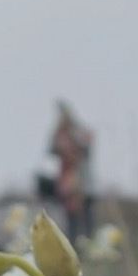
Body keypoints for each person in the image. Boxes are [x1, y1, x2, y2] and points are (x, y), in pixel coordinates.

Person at [49, 101, 95, 240]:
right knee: (71, 218)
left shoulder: (77, 131)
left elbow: (87, 143)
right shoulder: (60, 134)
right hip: (68, 183)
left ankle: (87, 241)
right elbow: (53, 148)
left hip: (81, 182)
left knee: (86, 216)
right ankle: (74, 242)